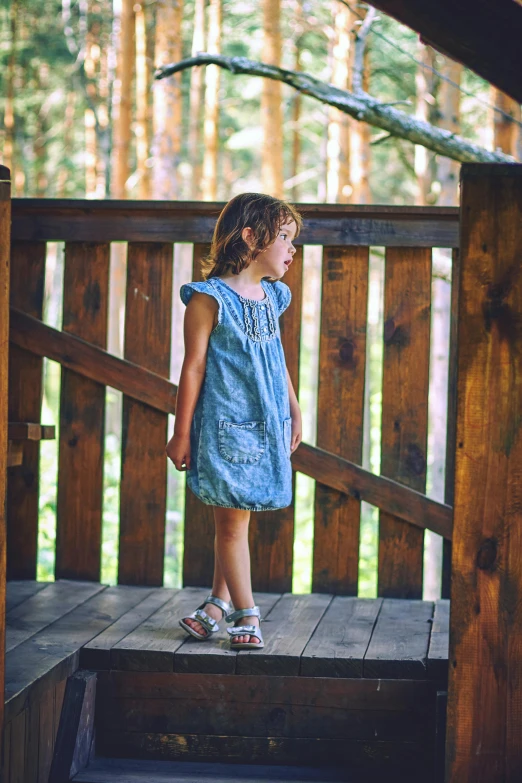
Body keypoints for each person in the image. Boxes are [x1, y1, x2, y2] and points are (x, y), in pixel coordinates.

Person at [166, 193, 303, 649]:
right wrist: (181, 433)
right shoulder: (209, 299)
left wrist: (295, 408)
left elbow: (276, 358)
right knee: (231, 526)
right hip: (227, 432)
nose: (291, 248)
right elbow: (193, 368)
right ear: (250, 237)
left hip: (266, 426)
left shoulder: (273, 297)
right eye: (283, 237)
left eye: (292, 239)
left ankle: (214, 606)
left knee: (237, 520)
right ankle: (246, 615)